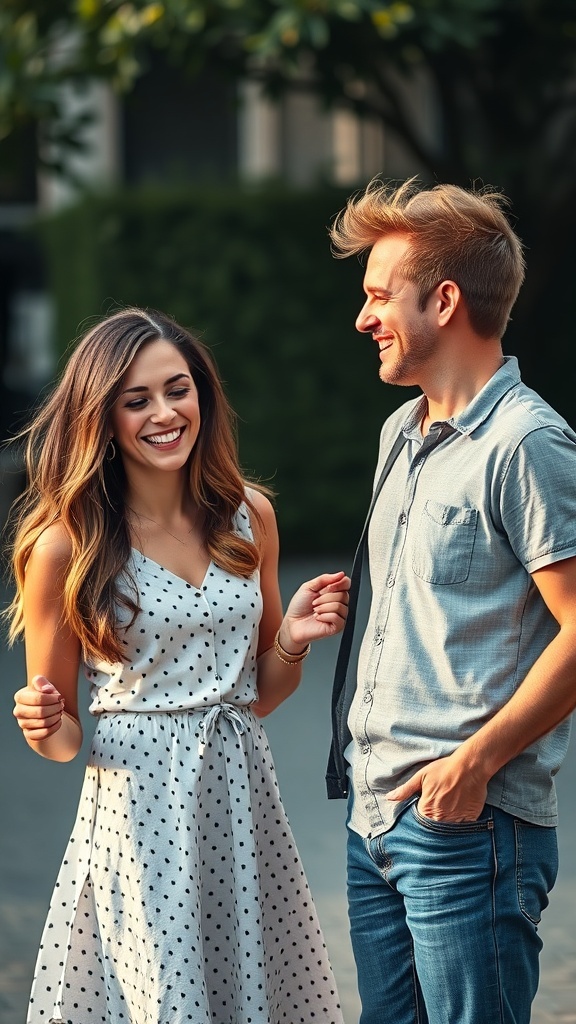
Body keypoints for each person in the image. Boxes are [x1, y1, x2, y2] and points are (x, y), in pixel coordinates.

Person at [7, 306, 350, 1024]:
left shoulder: (248, 515)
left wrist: (290, 637)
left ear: (203, 394)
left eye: (178, 389)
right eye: (137, 400)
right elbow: (65, 738)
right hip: (139, 812)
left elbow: (258, 694)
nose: (164, 413)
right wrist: (44, 723)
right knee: (167, 1001)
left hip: (242, 796)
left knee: (252, 992)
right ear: (102, 418)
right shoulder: (65, 547)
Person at [325, 178, 576, 1024]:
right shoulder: (402, 432)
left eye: (376, 296)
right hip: (378, 819)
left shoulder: (528, 444)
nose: (362, 320)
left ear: (444, 299)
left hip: (468, 828)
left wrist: (475, 764)